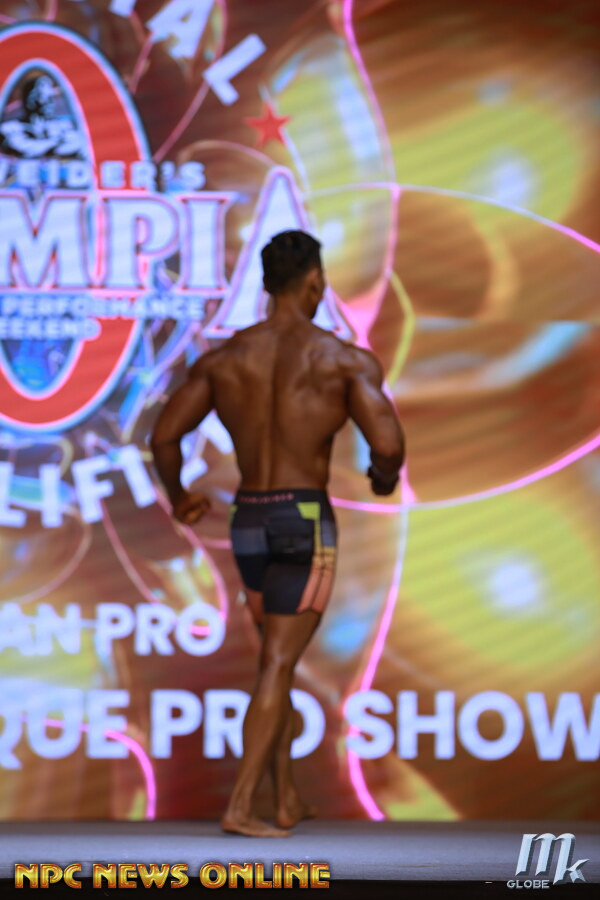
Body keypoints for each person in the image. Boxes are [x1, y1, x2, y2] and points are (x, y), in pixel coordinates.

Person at [150, 229, 405, 837]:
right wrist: (382, 477)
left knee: (274, 659)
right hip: (303, 519)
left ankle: (286, 797)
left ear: (266, 285)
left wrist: (180, 496)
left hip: (251, 521)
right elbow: (388, 444)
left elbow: (163, 437)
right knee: (279, 663)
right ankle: (240, 806)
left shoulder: (224, 360)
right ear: (315, 282)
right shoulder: (341, 360)